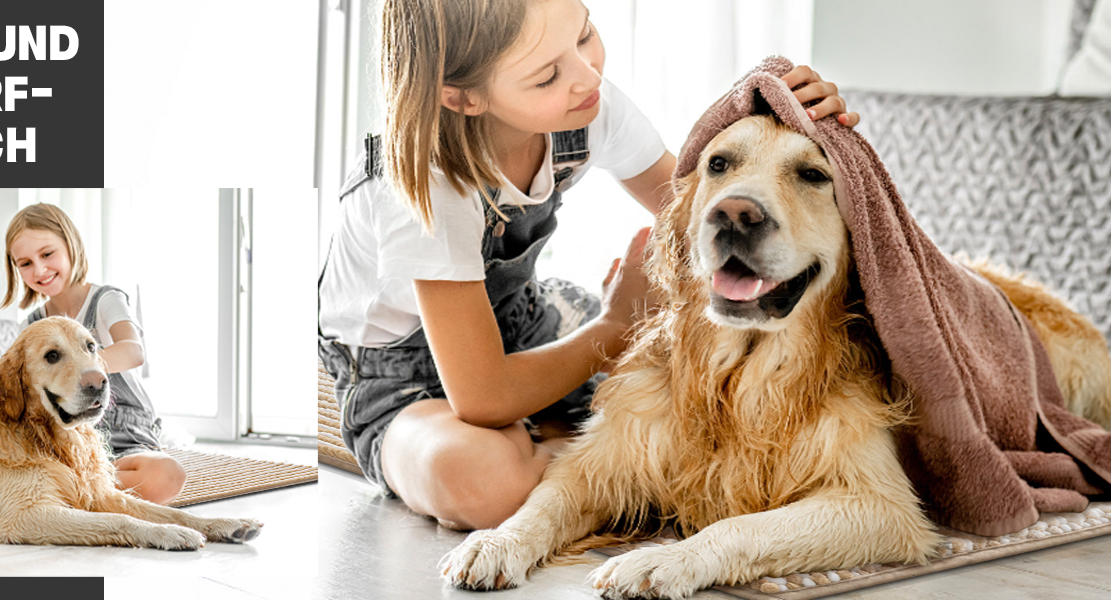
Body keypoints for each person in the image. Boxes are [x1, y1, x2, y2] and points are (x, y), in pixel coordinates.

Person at [318, 0, 861, 531]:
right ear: (461, 97)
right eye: (547, 74)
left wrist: (783, 111)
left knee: (698, 394)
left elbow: (691, 210)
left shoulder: (583, 106)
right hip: (403, 379)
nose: (586, 77)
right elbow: (482, 397)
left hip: (527, 319)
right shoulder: (428, 184)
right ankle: (568, 446)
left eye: (583, 34)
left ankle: (556, 440)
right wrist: (614, 327)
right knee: (482, 482)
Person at [0, 203, 187, 505]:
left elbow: (133, 351)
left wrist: (77, 367)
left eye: (47, 254)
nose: (38, 270)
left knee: (166, 476)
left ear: (71, 245)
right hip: (64, 436)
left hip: (122, 432)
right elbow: (15, 401)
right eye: (25, 263)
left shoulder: (106, 299)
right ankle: (87, 493)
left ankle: (69, 493)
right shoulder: (32, 326)